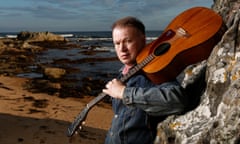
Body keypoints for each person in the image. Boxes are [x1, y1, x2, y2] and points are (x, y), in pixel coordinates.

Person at [102, 16, 191, 144]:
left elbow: (177, 100)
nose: (122, 49)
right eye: (117, 43)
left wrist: (124, 93)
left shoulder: (154, 72)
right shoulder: (121, 75)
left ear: (143, 40)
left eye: (128, 41)